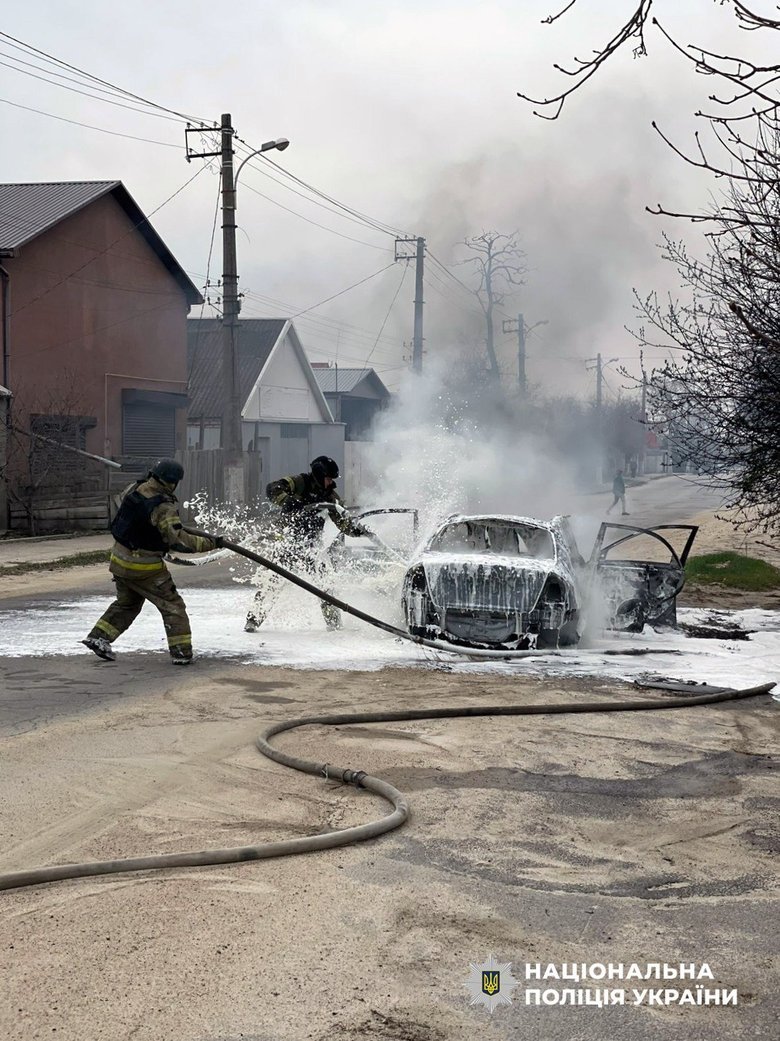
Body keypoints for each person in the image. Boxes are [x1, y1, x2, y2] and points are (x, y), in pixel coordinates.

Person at [82, 459, 220, 664]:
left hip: (119, 560)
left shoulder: (135, 489)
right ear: (173, 482)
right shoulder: (163, 506)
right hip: (143, 567)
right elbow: (179, 541)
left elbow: (134, 517)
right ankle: (181, 653)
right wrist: (212, 543)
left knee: (127, 604)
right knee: (173, 606)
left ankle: (99, 637)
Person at [244, 455, 368, 633]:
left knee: (325, 586)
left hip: (312, 548)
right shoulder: (299, 482)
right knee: (273, 582)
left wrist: (356, 531)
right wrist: (288, 501)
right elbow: (272, 489)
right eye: (328, 478)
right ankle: (253, 620)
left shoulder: (330, 497)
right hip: (288, 544)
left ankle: (334, 624)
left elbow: (342, 521)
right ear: (319, 474)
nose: (330, 482)